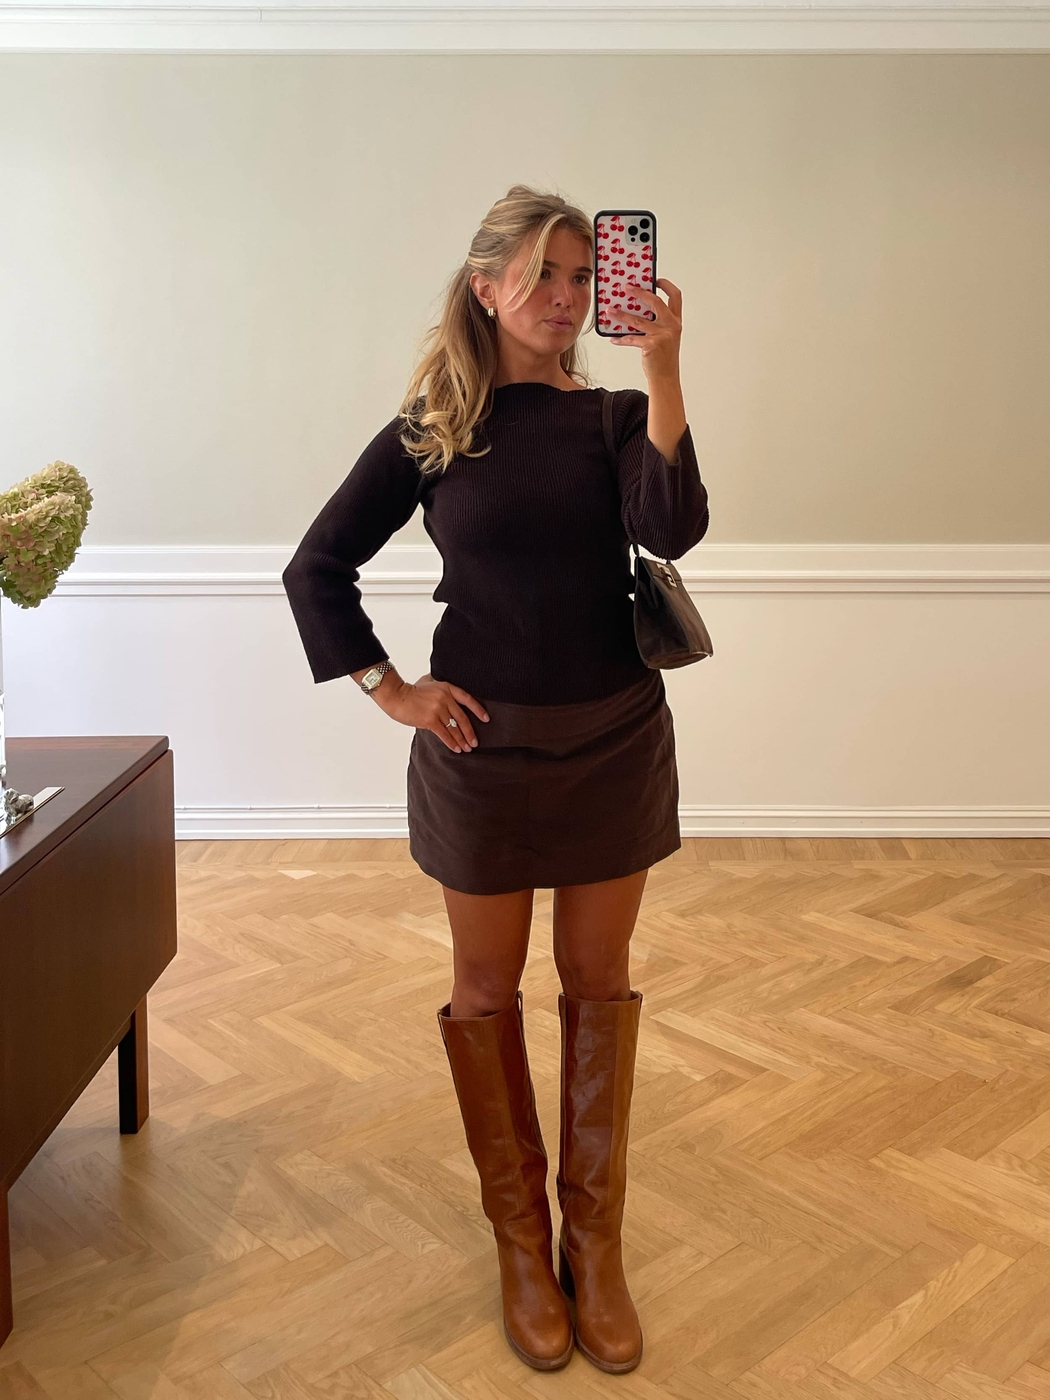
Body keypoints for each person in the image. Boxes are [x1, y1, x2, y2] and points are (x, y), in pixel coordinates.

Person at [282, 184, 709, 1375]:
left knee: (598, 982)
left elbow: (673, 528)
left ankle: (595, 1246)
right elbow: (317, 566)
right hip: (480, 757)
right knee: (483, 986)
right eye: (544, 275)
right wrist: (393, 689)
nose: (568, 297)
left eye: (584, 276)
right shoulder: (435, 428)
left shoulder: (617, 416)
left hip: (614, 743)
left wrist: (665, 365)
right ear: (486, 288)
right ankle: (522, 1243)